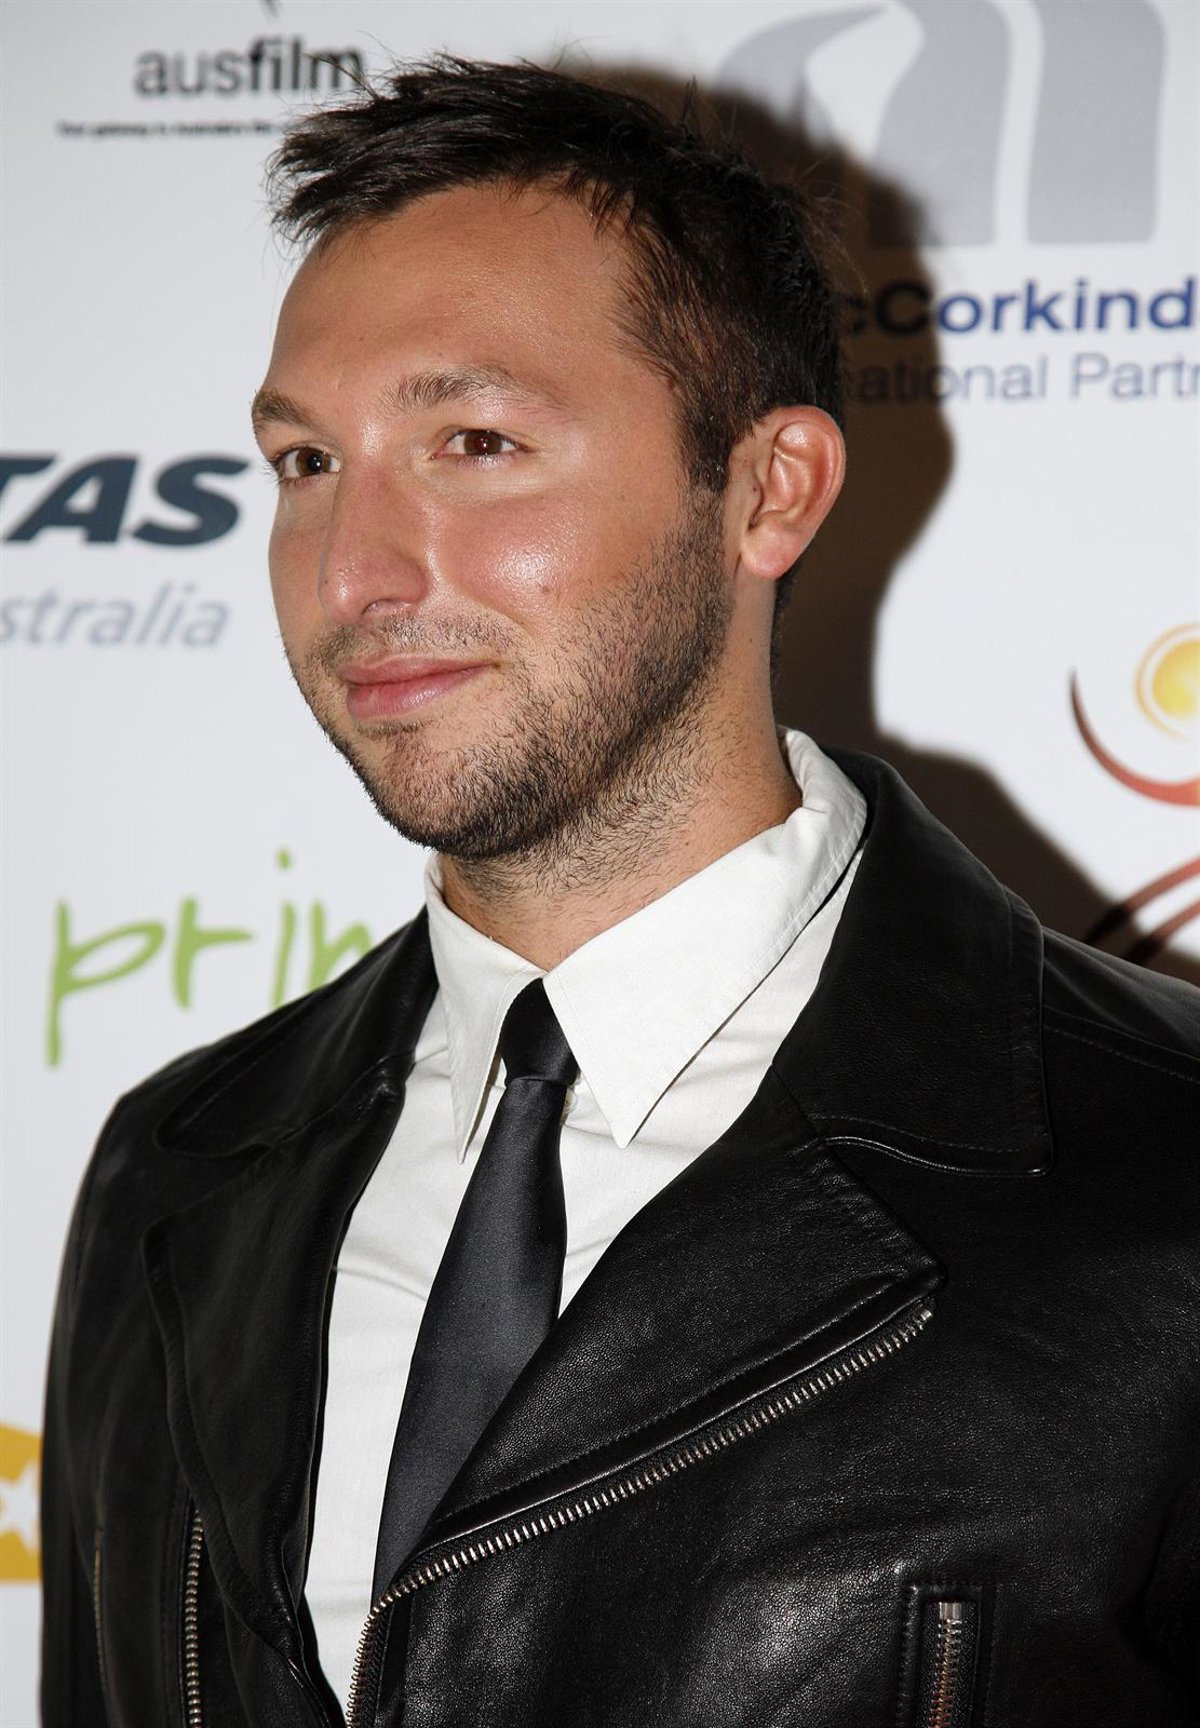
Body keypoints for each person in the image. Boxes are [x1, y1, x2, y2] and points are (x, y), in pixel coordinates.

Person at [41, 57, 1199, 1728]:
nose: (353, 574)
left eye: (476, 442)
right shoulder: (176, 1165)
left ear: (768, 489)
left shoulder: (1165, 1176)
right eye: (304, 463)